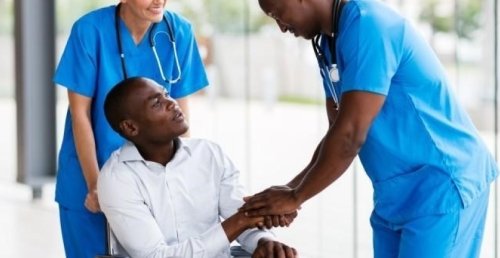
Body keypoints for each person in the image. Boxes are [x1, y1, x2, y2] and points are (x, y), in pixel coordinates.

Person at [240, 0, 499, 257]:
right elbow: (337, 132)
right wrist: (289, 192)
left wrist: (296, 196)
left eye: (277, 13)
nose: (281, 27)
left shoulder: (369, 25)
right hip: (395, 196)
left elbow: (350, 136)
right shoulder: (328, 43)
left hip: (441, 186)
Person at [53, 0, 208, 257]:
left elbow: (180, 119)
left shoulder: (178, 32)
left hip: (151, 185)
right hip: (88, 176)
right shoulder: (89, 31)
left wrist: (181, 180)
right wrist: (96, 185)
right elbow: (80, 114)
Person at [97, 76, 297, 258]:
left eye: (166, 94)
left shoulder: (209, 154)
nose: (172, 103)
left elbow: (243, 214)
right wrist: (240, 220)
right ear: (131, 127)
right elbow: (156, 256)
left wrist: (264, 242)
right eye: (157, 103)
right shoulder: (117, 178)